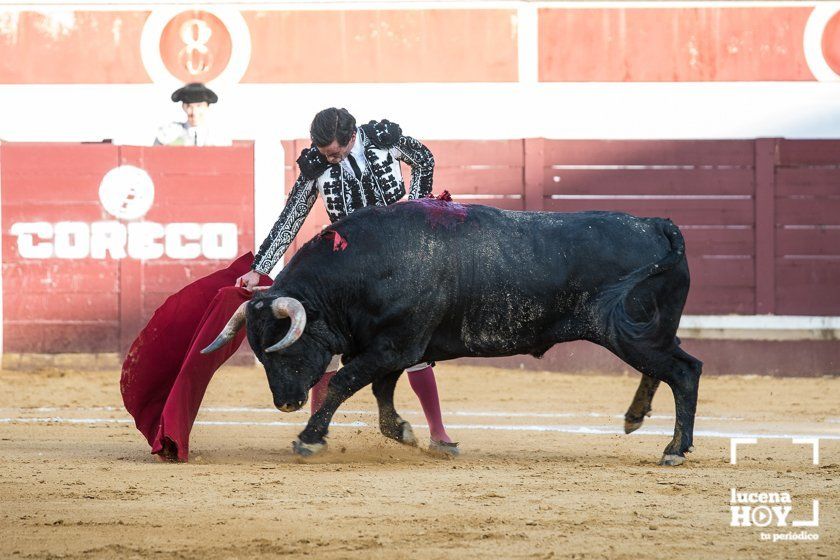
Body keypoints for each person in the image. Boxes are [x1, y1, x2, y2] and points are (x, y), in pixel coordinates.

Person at [237, 107, 458, 455]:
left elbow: (424, 159)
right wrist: (259, 266)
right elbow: (292, 215)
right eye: (326, 154)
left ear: (352, 136)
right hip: (348, 270)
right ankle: (316, 432)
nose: (332, 159)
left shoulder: (383, 140)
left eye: (336, 152)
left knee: (410, 344)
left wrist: (416, 210)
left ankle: (439, 432)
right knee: (322, 343)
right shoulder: (317, 165)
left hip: (394, 263)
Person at [154, 82, 231, 147]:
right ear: (183, 107)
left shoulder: (218, 135)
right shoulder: (170, 133)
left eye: (199, 106)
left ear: (207, 107)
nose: (194, 112)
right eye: (189, 106)